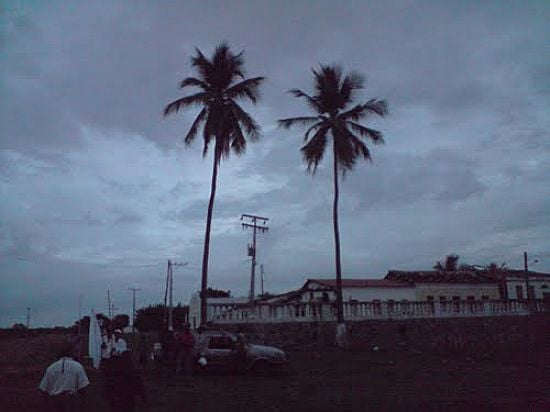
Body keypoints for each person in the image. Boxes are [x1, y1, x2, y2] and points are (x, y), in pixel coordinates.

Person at [38, 341, 90, 412]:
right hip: (71, 403)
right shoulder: (77, 366)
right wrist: (84, 406)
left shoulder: (51, 368)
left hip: (55, 403)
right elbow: (83, 389)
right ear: (71, 352)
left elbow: (43, 389)